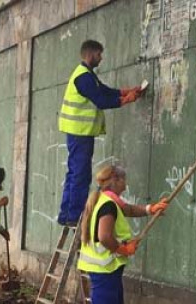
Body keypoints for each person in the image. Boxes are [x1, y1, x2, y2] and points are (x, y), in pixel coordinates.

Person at [77, 165, 168, 304]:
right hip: (104, 269)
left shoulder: (107, 200)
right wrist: (123, 248)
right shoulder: (107, 205)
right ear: (115, 180)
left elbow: (128, 209)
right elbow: (105, 236)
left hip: (107, 269)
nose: (126, 184)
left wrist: (150, 209)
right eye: (124, 180)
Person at [57, 39, 146, 226]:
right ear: (90, 54)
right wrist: (126, 100)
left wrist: (126, 92)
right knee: (80, 175)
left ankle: (66, 214)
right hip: (80, 133)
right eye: (99, 54)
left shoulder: (86, 74)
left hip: (79, 133)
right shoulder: (83, 77)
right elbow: (101, 100)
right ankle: (75, 216)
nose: (101, 58)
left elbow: (104, 90)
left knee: (74, 174)